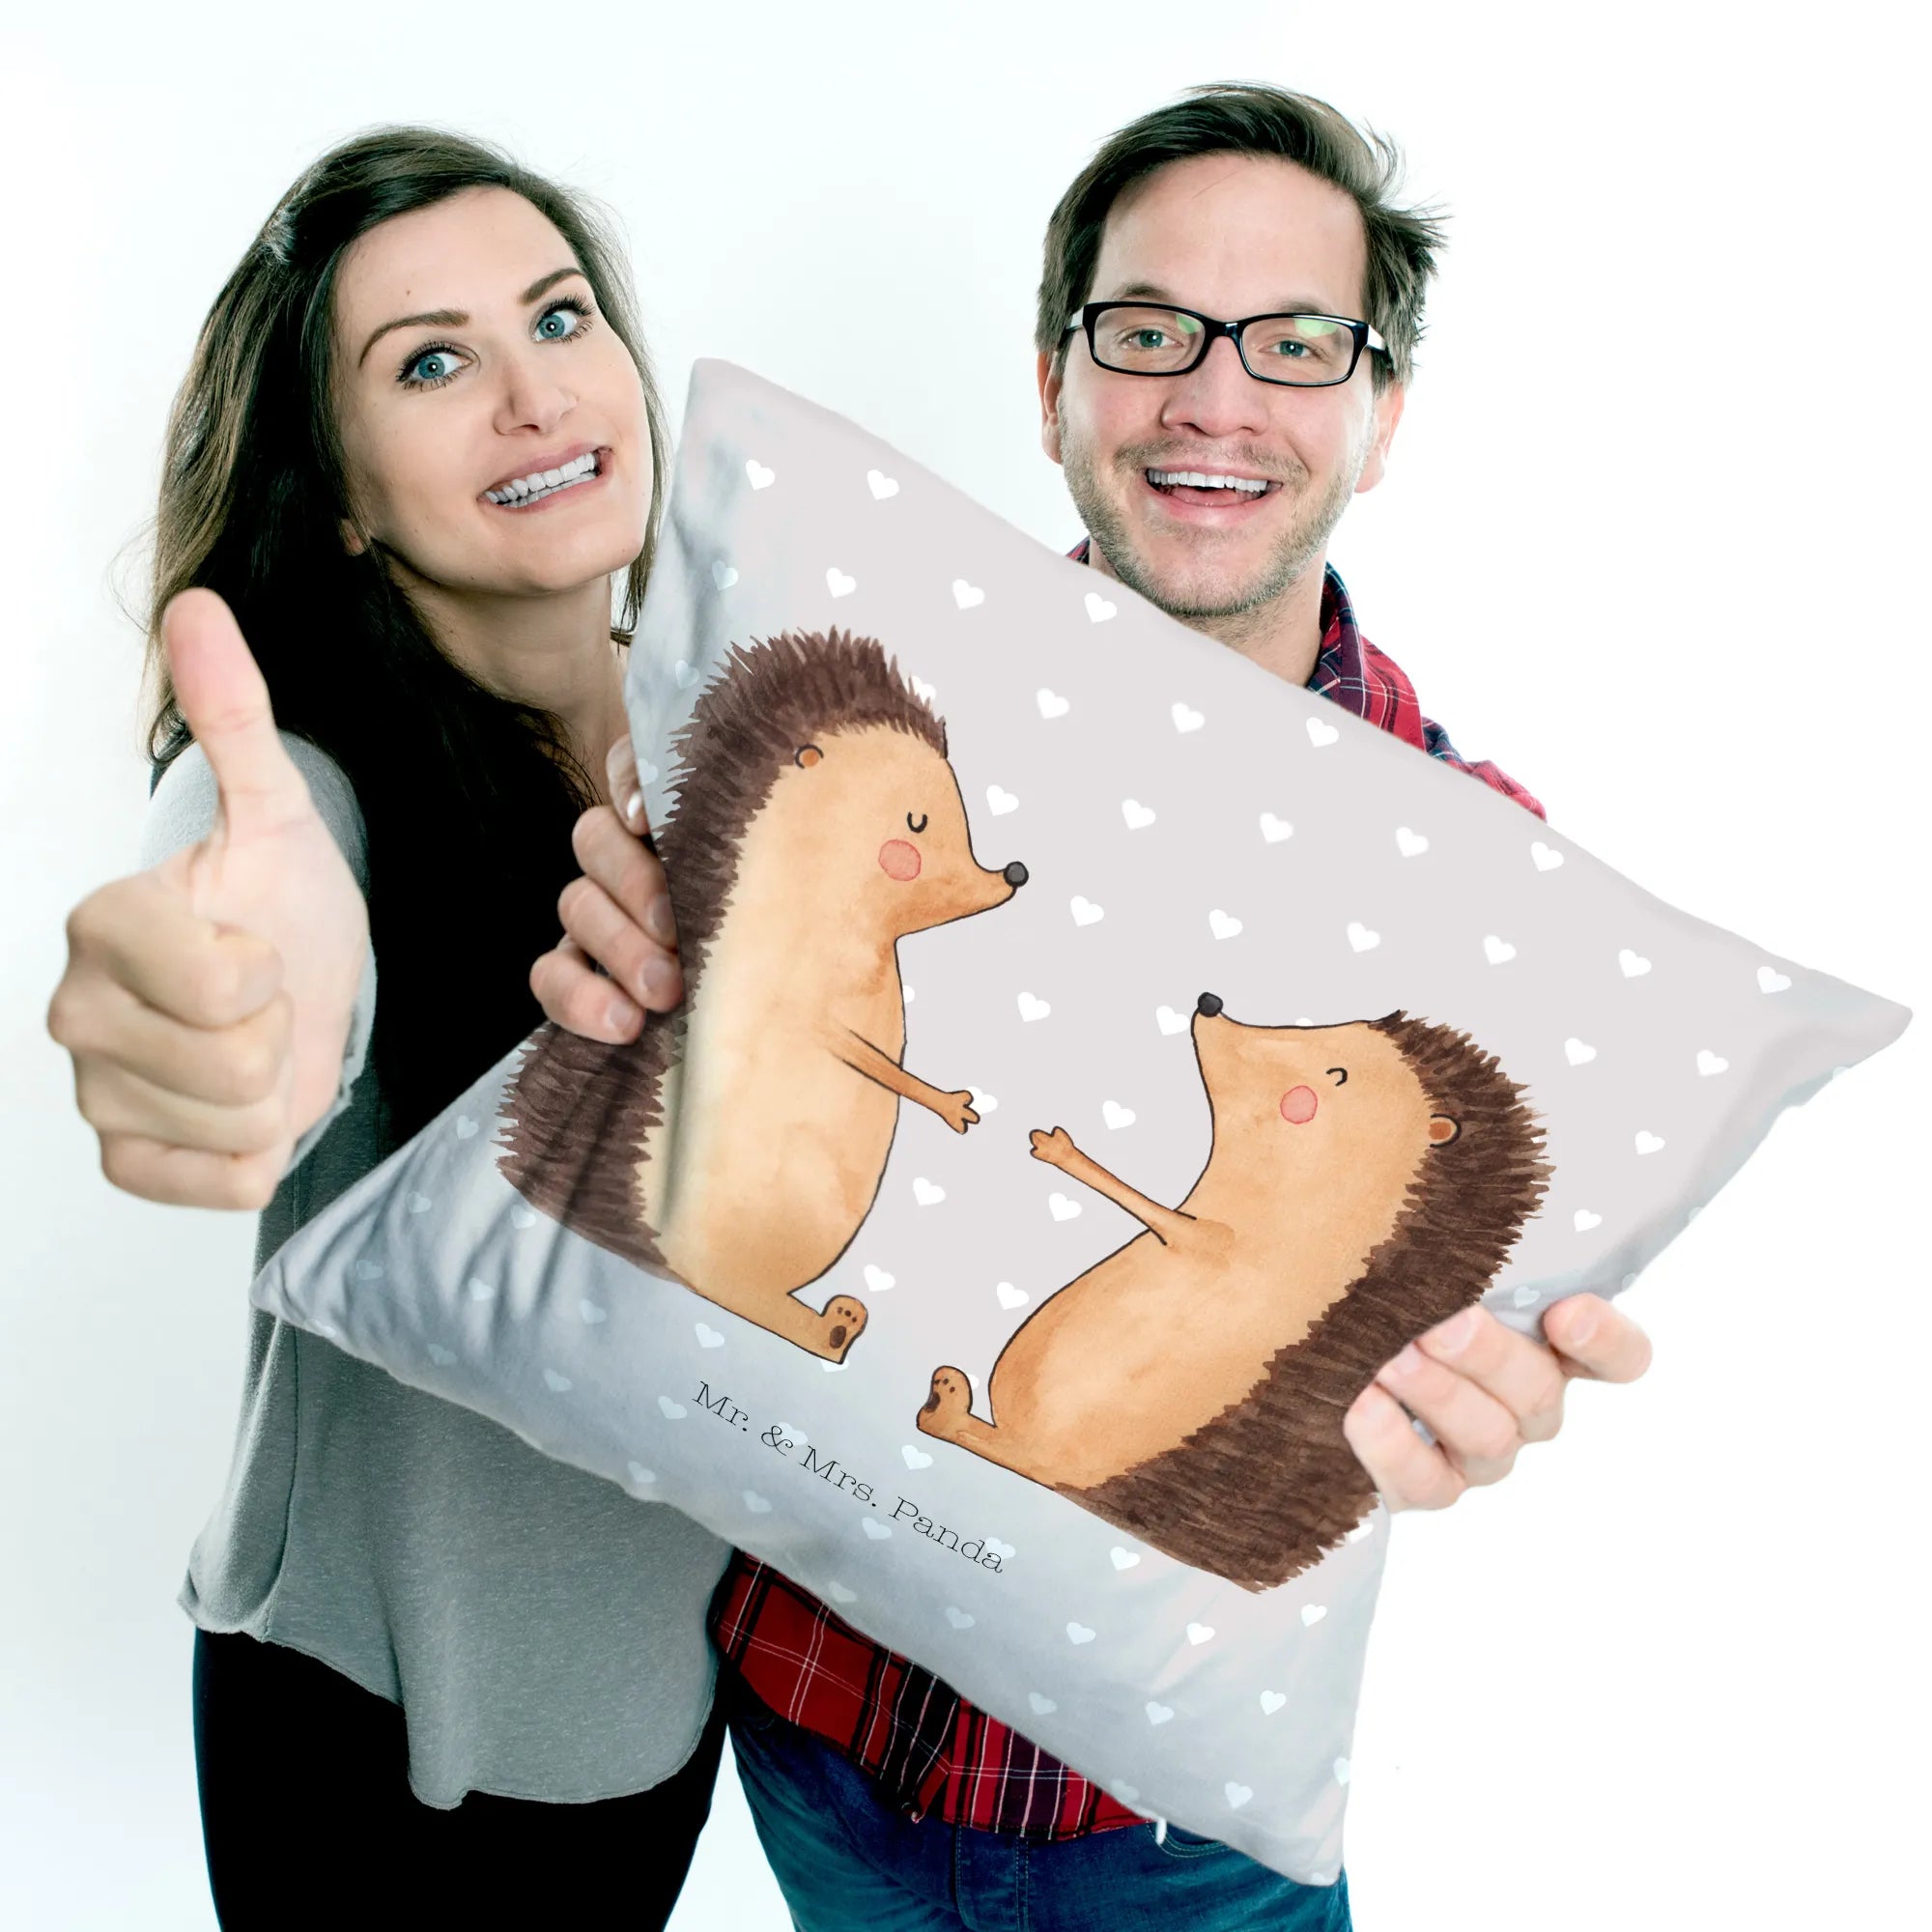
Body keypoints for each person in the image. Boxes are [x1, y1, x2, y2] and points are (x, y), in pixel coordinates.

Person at [534, 84, 1655, 1929]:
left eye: (1297, 343)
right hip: (807, 1738)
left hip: (1179, 1834)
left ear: (1380, 418)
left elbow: (1427, 1326)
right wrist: (628, 992)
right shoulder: (863, 720)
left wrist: (1482, 1393)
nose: (1216, 398)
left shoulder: (1487, 879)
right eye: (1150, 332)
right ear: (1055, 384)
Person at [43, 130, 730, 1926]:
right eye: (430, 363)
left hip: (660, 1709)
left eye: (558, 318)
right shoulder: (309, 781)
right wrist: (222, 999)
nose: (532, 394)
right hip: (380, 1743)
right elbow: (254, 898)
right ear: (342, 496)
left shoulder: (732, 742)